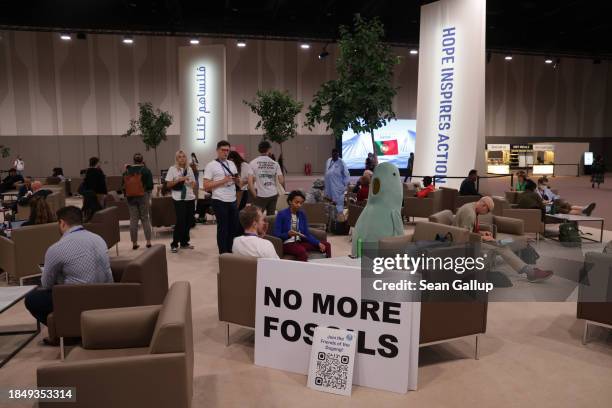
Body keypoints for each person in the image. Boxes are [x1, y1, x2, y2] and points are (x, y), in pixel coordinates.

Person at [24, 206, 113, 335]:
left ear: (62, 223)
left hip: (74, 299)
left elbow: (47, 284)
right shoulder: (99, 239)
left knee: (32, 299)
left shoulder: (56, 248)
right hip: (106, 294)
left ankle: (62, 331)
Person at [453, 197, 553, 282]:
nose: (485, 213)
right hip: (464, 243)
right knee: (501, 246)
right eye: (487, 211)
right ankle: (530, 272)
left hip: (472, 238)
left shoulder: (471, 206)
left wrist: (481, 233)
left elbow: (468, 229)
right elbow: (465, 235)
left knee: (502, 243)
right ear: (483, 206)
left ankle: (529, 270)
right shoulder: (470, 213)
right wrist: (482, 237)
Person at [203, 141, 241, 254]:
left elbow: (236, 180)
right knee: (223, 228)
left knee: (233, 227)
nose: (225, 152)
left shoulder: (231, 164)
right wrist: (223, 181)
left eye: (227, 150)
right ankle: (223, 254)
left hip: (232, 199)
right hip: (219, 200)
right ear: (217, 150)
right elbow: (206, 186)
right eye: (223, 150)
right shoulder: (211, 165)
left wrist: (238, 181)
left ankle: (230, 250)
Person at [274, 190, 331, 262]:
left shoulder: (302, 214)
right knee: (302, 252)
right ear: (290, 202)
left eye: (301, 203)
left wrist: (318, 243)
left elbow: (306, 233)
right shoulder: (281, 214)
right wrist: (288, 234)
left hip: (299, 242)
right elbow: (276, 234)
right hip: (287, 243)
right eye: (296, 202)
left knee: (326, 245)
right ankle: (303, 272)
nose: (299, 205)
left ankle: (328, 267)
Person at [166, 150, 197, 253]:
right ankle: (174, 243)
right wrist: (178, 180)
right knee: (181, 221)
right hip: (179, 198)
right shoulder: (172, 169)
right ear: (176, 158)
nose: (182, 158)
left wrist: (190, 182)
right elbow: (168, 185)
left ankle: (184, 242)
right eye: (180, 157)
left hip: (190, 197)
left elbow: (193, 185)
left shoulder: (189, 169)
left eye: (183, 156)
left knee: (190, 221)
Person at [123, 153, 154, 250]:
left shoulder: (127, 170)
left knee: (133, 219)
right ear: (142, 160)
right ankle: (148, 242)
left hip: (130, 197)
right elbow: (150, 186)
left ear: (133, 160)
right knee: (145, 218)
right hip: (143, 196)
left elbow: (123, 185)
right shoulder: (146, 170)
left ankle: (134, 243)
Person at [248, 141, 284, 215]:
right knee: (271, 217)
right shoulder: (275, 164)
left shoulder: (252, 163)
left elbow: (250, 182)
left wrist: (255, 195)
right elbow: (281, 181)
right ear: (269, 150)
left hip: (260, 194)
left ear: (259, 149)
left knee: (257, 217)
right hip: (273, 194)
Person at [324, 148, 350, 215]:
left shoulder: (341, 162)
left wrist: (344, 187)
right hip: (329, 187)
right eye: (333, 154)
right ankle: (330, 222)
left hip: (338, 189)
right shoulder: (328, 160)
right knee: (329, 206)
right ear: (332, 154)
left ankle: (339, 222)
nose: (335, 155)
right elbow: (327, 173)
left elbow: (347, 175)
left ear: (338, 154)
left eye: (336, 154)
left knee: (338, 207)